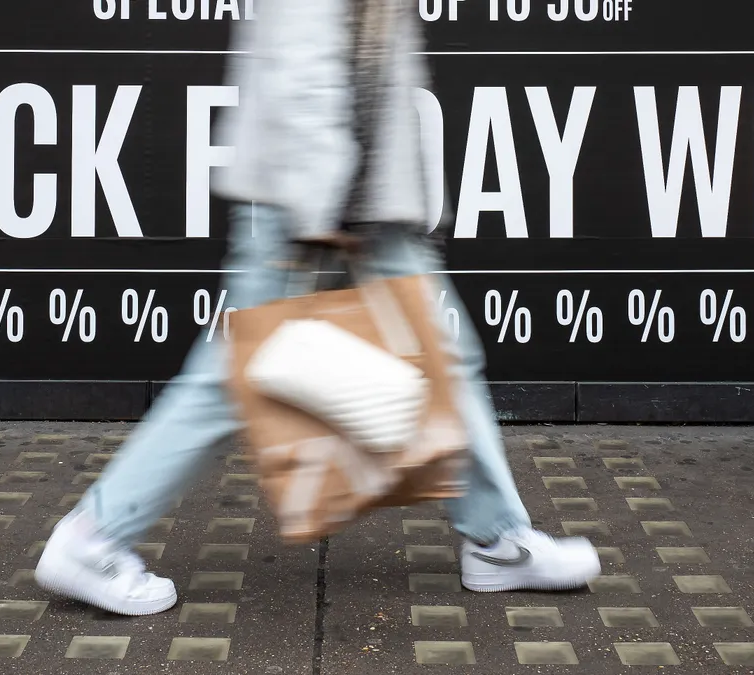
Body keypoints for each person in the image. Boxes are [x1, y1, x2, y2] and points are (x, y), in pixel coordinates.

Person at [34, 0, 601, 616]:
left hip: (358, 201)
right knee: (237, 376)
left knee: (442, 356)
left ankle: (497, 539)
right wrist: (320, 205)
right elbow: (304, 58)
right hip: (316, 204)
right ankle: (93, 538)